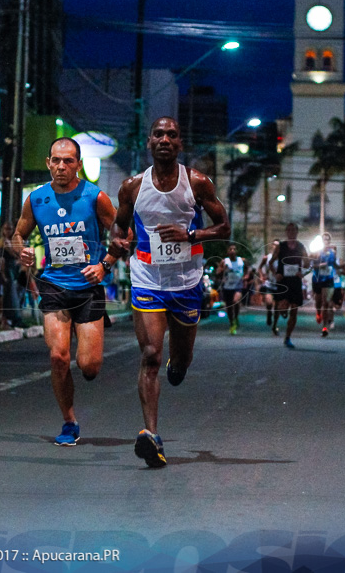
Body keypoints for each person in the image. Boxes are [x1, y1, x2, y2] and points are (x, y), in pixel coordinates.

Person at [110, 117, 230, 468]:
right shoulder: (132, 187)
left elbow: (224, 226)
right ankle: (152, 436)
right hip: (147, 279)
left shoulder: (196, 183)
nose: (165, 139)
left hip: (187, 283)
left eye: (172, 135)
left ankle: (179, 364)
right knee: (150, 355)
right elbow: (120, 222)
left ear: (180, 144)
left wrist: (191, 236)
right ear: (149, 142)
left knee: (179, 363)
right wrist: (118, 239)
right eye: (159, 134)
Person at [13, 136, 119, 447]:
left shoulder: (95, 196)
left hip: (88, 287)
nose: (61, 166)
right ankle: (69, 422)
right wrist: (21, 251)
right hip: (54, 285)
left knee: (89, 367)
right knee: (59, 356)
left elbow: (125, 234)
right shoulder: (36, 199)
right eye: (56, 160)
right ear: (48, 163)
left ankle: (89, 352)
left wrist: (105, 265)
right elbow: (17, 235)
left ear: (78, 165)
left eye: (68, 161)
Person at [271, 222, 308, 348]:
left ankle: (287, 337)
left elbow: (307, 264)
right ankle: (282, 312)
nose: (291, 232)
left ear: (297, 232)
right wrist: (276, 274)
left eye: (294, 230)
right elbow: (271, 262)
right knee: (283, 307)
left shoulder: (300, 247)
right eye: (289, 230)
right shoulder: (281, 246)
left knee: (294, 311)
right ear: (286, 232)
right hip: (283, 281)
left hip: (295, 282)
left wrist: (301, 271)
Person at [216, 243, 246, 334]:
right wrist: (223, 270)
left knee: (236, 301)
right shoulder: (224, 262)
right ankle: (231, 322)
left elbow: (249, 270)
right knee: (229, 306)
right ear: (228, 252)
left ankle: (236, 317)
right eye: (230, 249)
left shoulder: (242, 261)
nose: (232, 251)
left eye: (234, 249)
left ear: (236, 251)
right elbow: (217, 274)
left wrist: (246, 276)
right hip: (227, 286)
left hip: (238, 286)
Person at [312, 233, 337, 337]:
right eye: (324, 239)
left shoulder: (333, 252)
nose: (326, 241)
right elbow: (312, 265)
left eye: (328, 240)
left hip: (328, 279)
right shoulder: (317, 252)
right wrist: (320, 266)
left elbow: (334, 264)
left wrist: (340, 270)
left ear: (329, 241)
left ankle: (325, 327)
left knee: (325, 303)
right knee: (318, 303)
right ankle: (318, 312)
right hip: (318, 279)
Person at [257, 243, 280, 329]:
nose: (276, 247)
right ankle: (269, 312)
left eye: (278, 245)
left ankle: (275, 325)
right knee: (269, 302)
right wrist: (261, 275)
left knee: (277, 307)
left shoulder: (283, 259)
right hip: (269, 284)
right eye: (274, 245)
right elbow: (259, 268)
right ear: (272, 246)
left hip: (279, 286)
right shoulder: (267, 258)